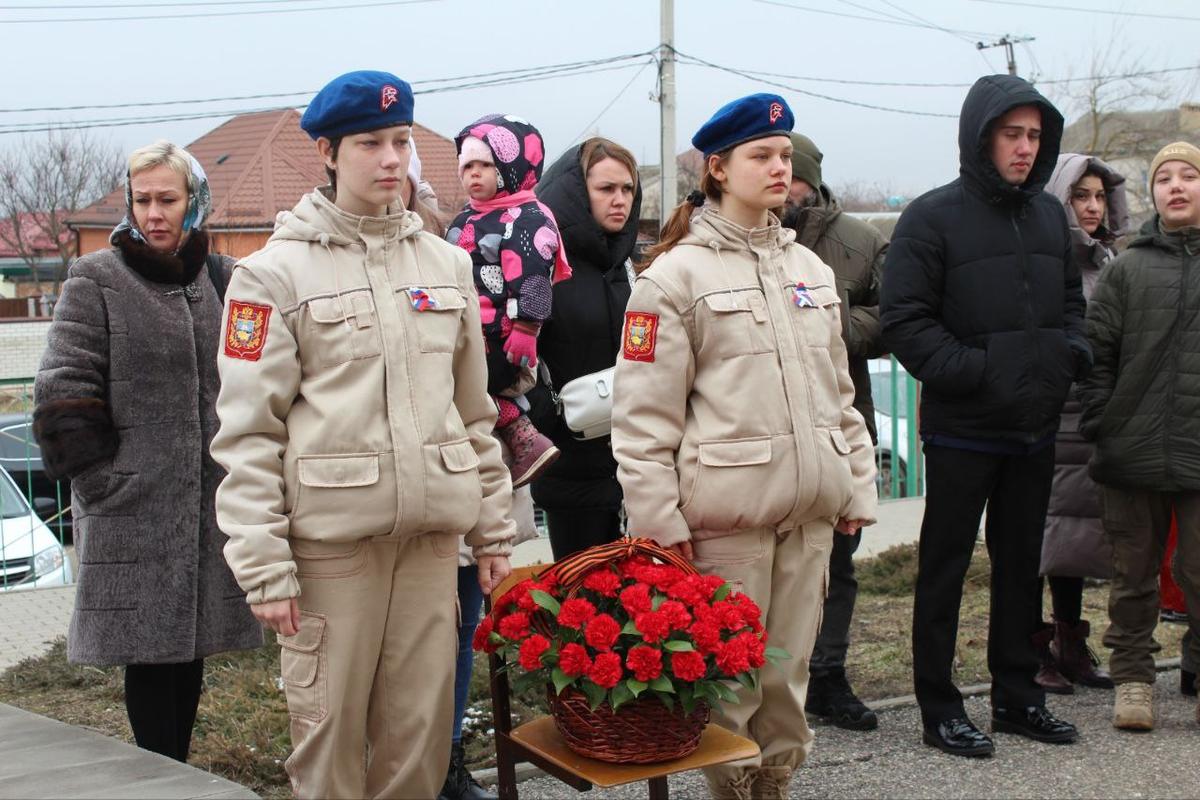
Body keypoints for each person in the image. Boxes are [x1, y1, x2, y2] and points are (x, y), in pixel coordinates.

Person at [209, 71, 516, 799]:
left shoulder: (447, 267)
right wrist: (263, 565)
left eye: (401, 141)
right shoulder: (270, 276)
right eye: (370, 143)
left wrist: (494, 532)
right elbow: (248, 434)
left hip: (430, 547)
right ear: (327, 151)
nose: (390, 159)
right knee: (331, 746)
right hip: (331, 554)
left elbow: (474, 413)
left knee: (418, 743)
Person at [612, 93, 877, 800]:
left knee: (786, 686)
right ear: (719, 170)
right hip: (724, 528)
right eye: (761, 155)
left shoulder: (812, 275)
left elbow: (838, 394)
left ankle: (775, 787)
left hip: (809, 518)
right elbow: (642, 423)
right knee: (728, 691)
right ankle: (731, 792)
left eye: (785, 155)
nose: (779, 167)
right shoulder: (672, 278)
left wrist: (856, 486)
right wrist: (660, 528)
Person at [32, 141, 262, 762]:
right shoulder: (96, 278)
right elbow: (63, 387)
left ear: (195, 203)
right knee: (150, 653)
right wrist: (104, 481)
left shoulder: (223, 278)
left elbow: (254, 376)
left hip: (210, 503)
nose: (154, 213)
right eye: (143, 200)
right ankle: (160, 775)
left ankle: (176, 771)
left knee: (188, 651)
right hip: (131, 506)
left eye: (168, 199)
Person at [881, 74, 1086, 757]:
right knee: (944, 568)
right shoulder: (930, 218)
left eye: (1034, 136)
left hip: (1034, 426)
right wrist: (979, 372)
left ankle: (1018, 696)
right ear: (980, 134)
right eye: (1011, 134)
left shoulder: (1051, 216)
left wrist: (1067, 358)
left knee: (1020, 565)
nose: (1025, 149)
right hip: (962, 428)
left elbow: (1069, 307)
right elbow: (905, 321)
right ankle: (940, 707)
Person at [1079, 140, 1200, 731]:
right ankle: (1132, 680)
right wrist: (1105, 421)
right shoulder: (1127, 267)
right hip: (1131, 448)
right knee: (1133, 575)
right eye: (1164, 179)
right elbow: (1097, 354)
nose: (1175, 186)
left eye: (1189, 176)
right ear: (1151, 193)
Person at [781, 132, 888, 732]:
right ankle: (771, 680)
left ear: (811, 180)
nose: (782, 185)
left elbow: (894, 314)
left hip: (841, 419)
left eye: (792, 173)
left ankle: (829, 676)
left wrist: (829, 324)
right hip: (766, 428)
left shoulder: (861, 241)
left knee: (838, 562)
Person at [1034, 153, 1128, 693]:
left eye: (1098, 196)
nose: (1092, 207)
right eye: (1080, 196)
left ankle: (1071, 642)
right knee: (1038, 537)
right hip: (1050, 421)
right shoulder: (1046, 259)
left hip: (1092, 421)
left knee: (1075, 540)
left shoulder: (1110, 261)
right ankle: (1033, 645)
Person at [528, 137, 642, 560]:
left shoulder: (630, 265)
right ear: (578, 193)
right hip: (572, 467)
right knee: (582, 608)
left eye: (627, 189)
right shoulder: (542, 263)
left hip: (636, 465)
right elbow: (517, 355)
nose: (619, 201)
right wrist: (551, 422)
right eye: (606, 189)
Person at [446, 114, 571, 488]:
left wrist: (526, 326)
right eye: (467, 166)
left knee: (462, 387)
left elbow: (533, 272)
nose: (474, 174)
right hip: (466, 328)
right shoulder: (467, 216)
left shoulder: (526, 218)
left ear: (510, 166)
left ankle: (524, 437)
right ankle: (522, 439)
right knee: (459, 387)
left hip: (501, 335)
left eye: (486, 164)